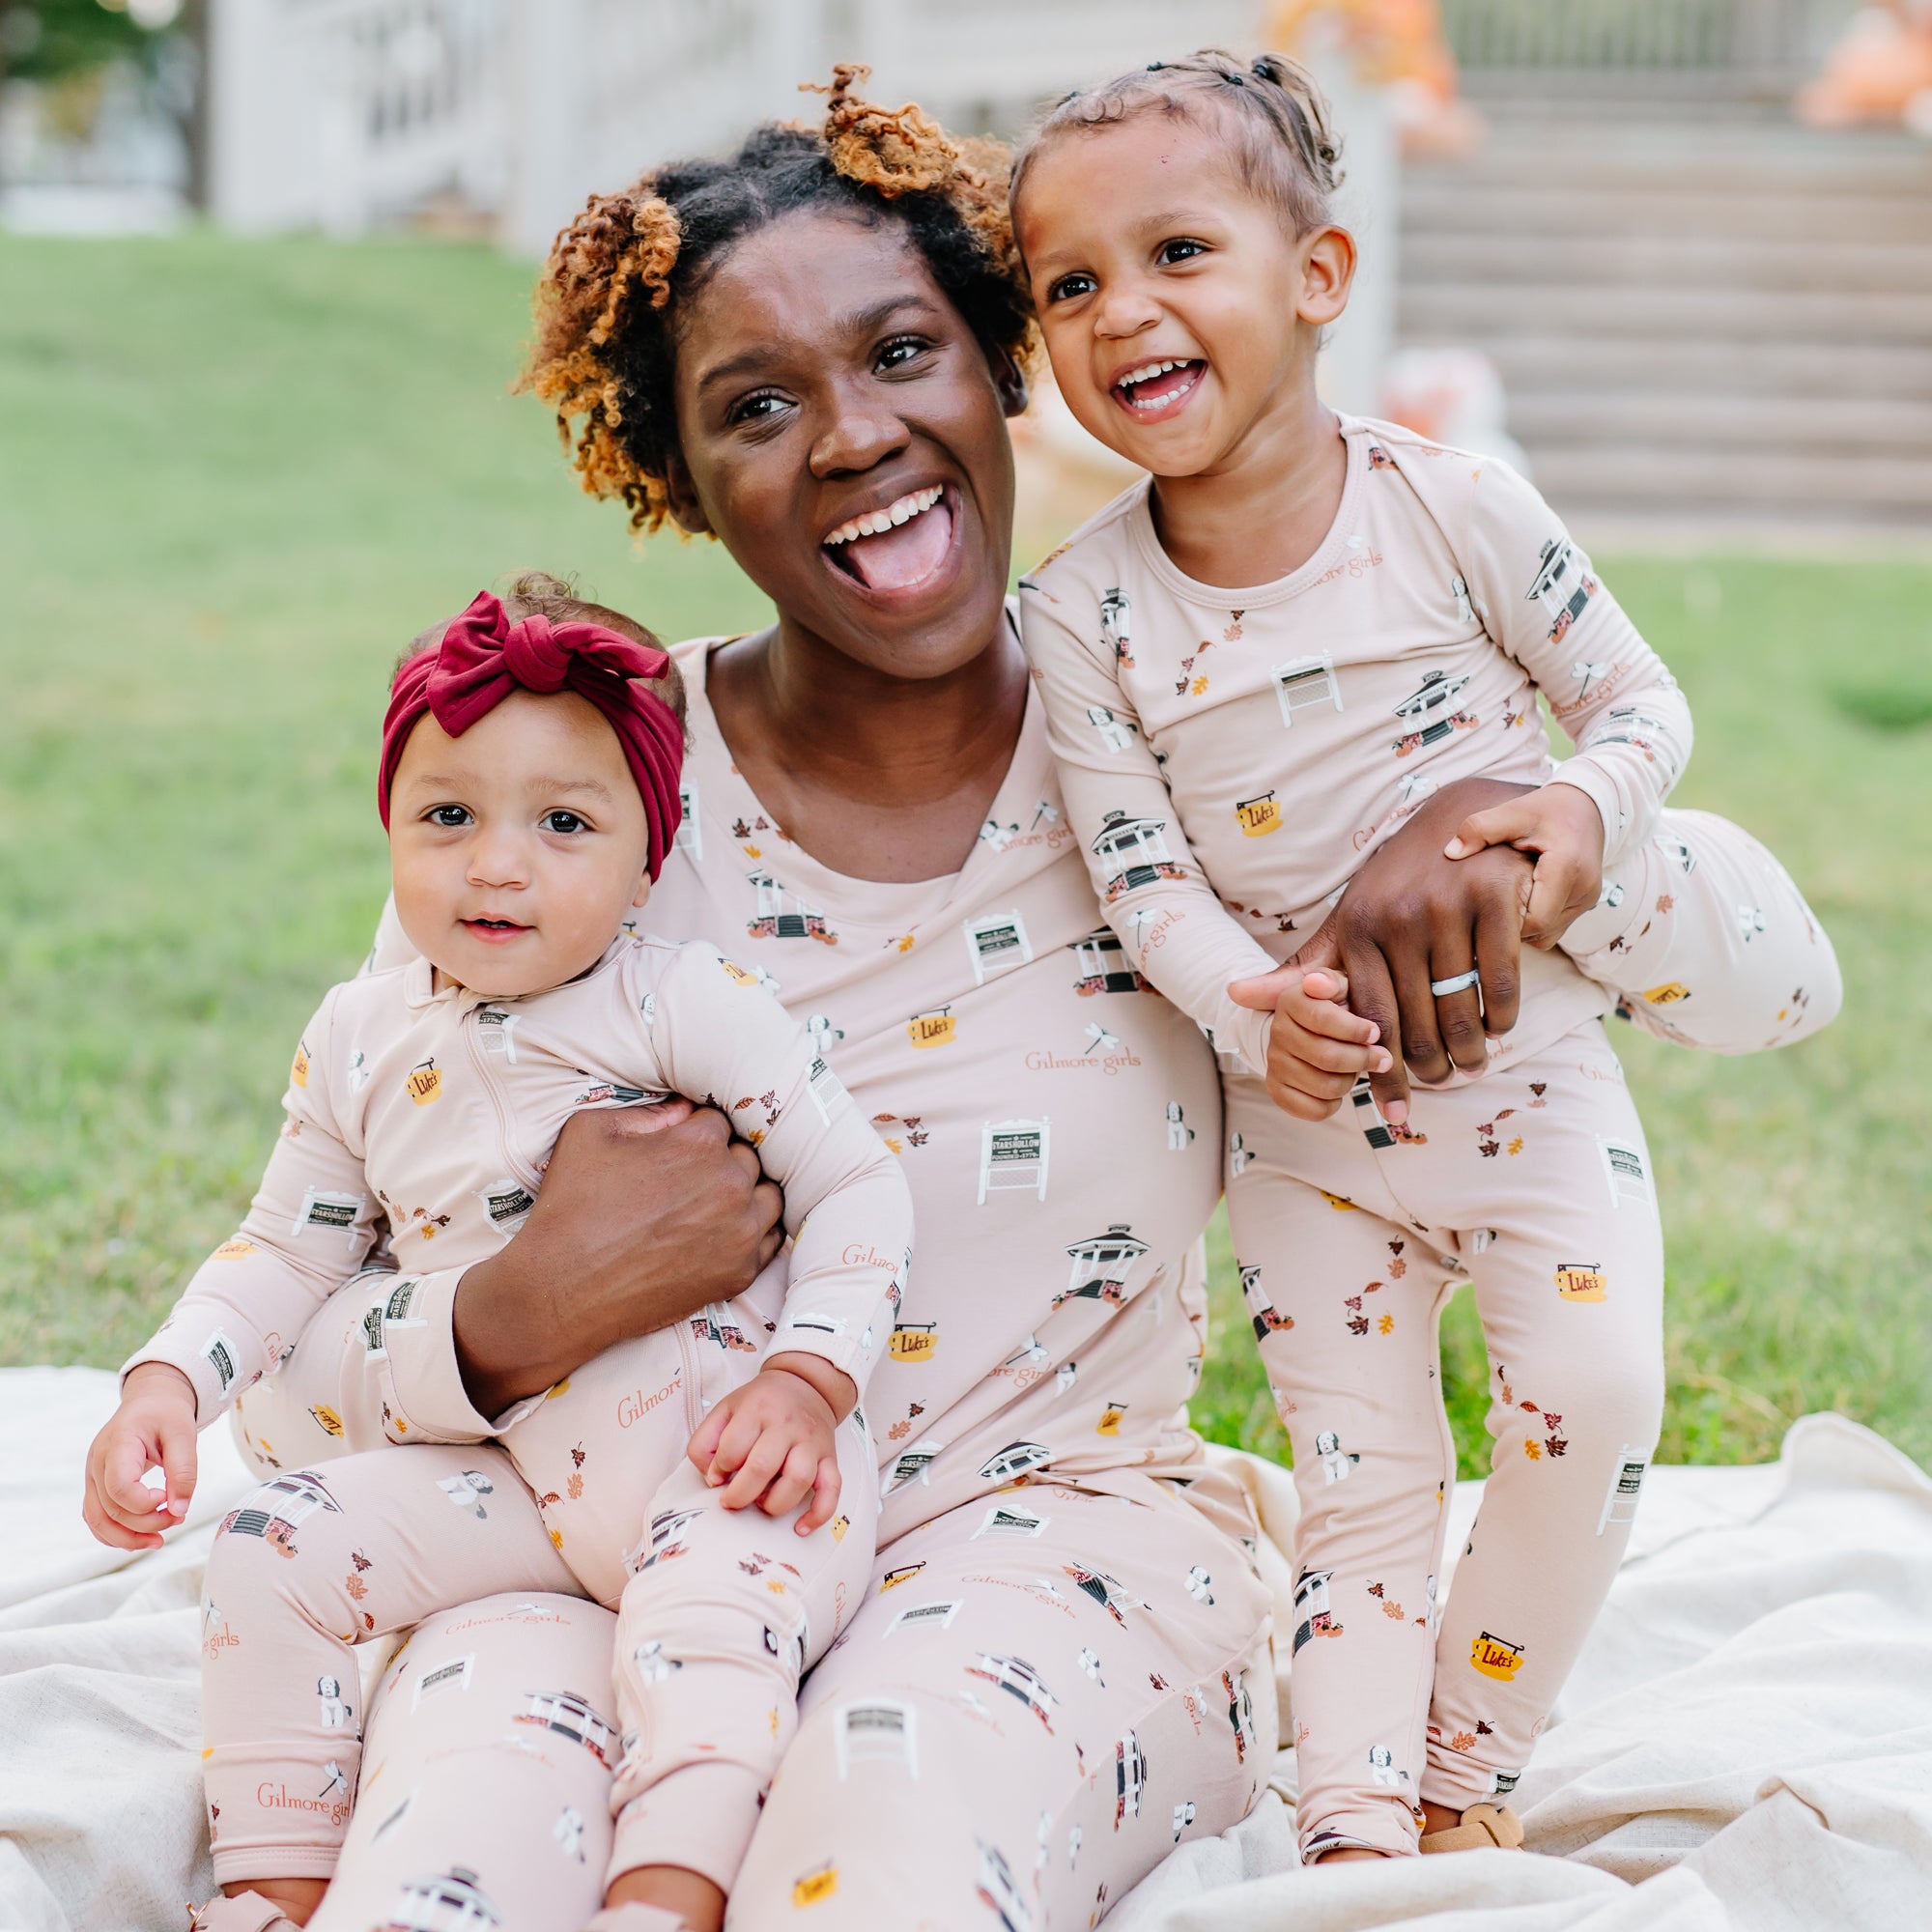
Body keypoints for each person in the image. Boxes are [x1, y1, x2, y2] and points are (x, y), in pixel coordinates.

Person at [114, 70, 1677, 1932]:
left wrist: (1515, 834)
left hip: (1055, 1551)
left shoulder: (1183, 750)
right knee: (452, 1881)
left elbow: (1703, 938)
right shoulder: (573, 808)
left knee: (872, 1871)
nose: (854, 434)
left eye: (904, 352)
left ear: (1007, 365)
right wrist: (519, 1313)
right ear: (680, 477)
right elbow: (291, 1372)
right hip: (594, 1554)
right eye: (757, 405)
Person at [1009, 49, 1840, 1866]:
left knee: (1596, 1395)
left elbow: (1637, 701)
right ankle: (1358, 1824)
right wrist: (1248, 1011)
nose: (1121, 308)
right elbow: (1141, 875)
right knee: (1364, 1484)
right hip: (1307, 1128)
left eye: (1176, 252)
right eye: (1070, 285)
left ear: (1319, 273)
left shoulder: (1451, 508)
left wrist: (1583, 813)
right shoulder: (1081, 612)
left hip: (1527, 1078)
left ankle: (1471, 1762)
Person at [83, 580, 914, 1932]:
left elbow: (858, 1185)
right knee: (265, 1548)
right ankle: (273, 1891)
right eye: (449, 816)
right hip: (516, 1487)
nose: (497, 865)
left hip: (722, 1462)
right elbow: (285, 1247)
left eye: (564, 823)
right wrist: (169, 1380)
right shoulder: (359, 1037)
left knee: (705, 1639)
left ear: (648, 859)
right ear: (389, 826)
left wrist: (809, 1382)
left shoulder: (677, 1002)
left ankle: (669, 1894)